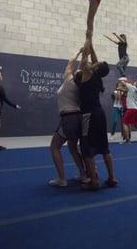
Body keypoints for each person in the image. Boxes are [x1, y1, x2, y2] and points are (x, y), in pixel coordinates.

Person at [79, 38, 117, 190]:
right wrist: (90, 39)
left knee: (86, 149)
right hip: (100, 114)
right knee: (104, 148)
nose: (96, 61)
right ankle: (112, 178)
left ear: (96, 68)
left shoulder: (87, 73)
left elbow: (83, 62)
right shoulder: (97, 76)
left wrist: (86, 46)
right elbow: (94, 60)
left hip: (89, 115)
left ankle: (94, 182)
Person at [49, 49, 88, 187]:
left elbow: (71, 62)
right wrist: (86, 54)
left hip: (69, 118)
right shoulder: (82, 87)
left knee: (54, 147)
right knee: (72, 148)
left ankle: (62, 179)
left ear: (75, 75)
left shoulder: (68, 80)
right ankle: (83, 175)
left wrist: (79, 51)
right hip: (77, 118)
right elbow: (82, 68)